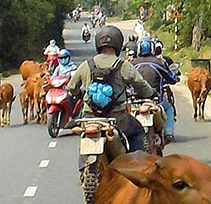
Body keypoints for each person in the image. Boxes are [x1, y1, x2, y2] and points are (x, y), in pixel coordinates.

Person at [67, 25, 155, 153]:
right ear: (118, 44)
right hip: (117, 117)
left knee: (85, 138)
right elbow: (141, 85)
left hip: (89, 117)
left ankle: (84, 168)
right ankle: (137, 165)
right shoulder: (124, 65)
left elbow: (71, 87)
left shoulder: (87, 64)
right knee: (137, 131)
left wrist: (80, 93)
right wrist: (150, 93)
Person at [133, 49, 180, 143]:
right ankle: (168, 132)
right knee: (169, 108)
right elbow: (171, 78)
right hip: (157, 100)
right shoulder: (159, 63)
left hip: (136, 101)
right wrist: (175, 76)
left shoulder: (132, 63)